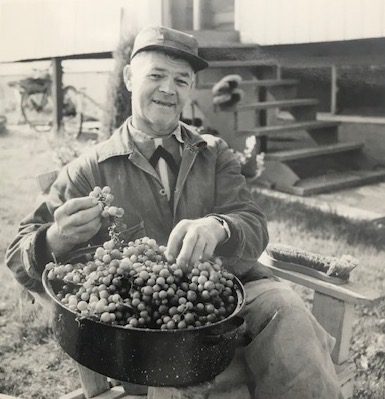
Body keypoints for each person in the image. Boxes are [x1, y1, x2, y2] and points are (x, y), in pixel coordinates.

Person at [5, 26, 342, 399]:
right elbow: (17, 255)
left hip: (228, 298)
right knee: (171, 369)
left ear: (191, 87)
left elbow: (253, 222)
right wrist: (55, 237)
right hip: (147, 330)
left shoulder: (214, 154)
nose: (169, 89)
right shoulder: (90, 169)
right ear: (130, 77)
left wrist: (220, 227)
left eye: (181, 79)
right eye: (156, 75)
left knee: (288, 309)